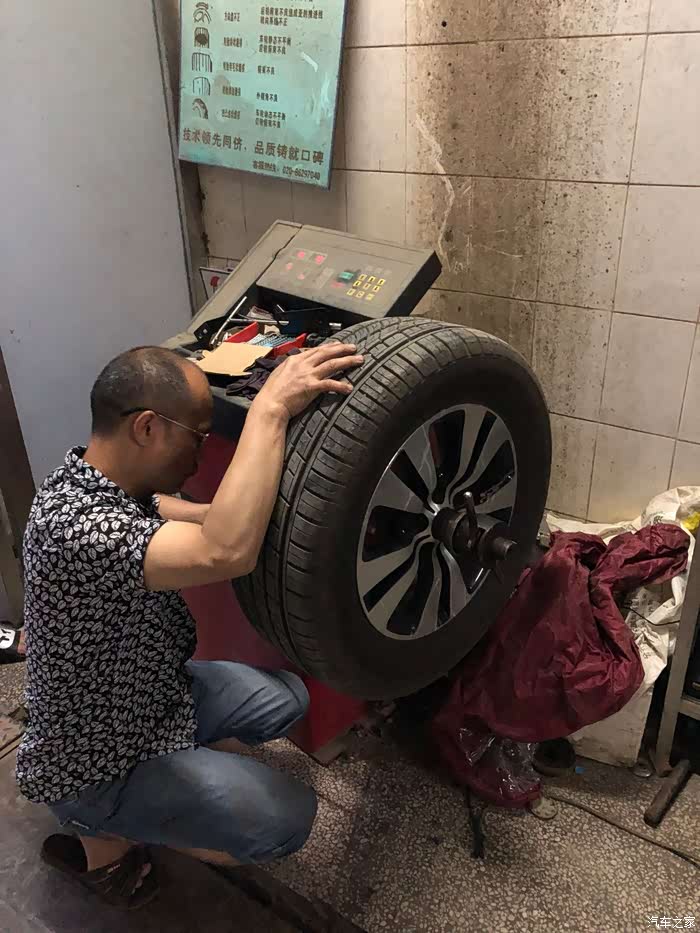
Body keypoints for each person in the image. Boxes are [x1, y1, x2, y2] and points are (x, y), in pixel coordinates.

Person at [16, 341, 363, 909]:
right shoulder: (73, 528)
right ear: (148, 427)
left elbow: (167, 510)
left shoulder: (91, 479)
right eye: (196, 436)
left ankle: (176, 774)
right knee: (287, 819)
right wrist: (270, 408)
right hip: (97, 761)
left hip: (151, 697)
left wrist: (235, 514)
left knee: (287, 698)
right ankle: (107, 836)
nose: (200, 455)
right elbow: (224, 552)